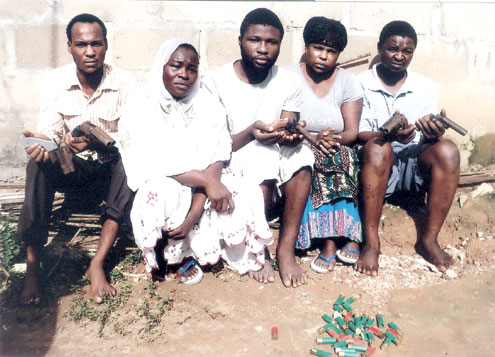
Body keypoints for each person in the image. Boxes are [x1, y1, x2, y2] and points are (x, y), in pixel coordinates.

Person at [118, 39, 274, 285]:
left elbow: (219, 150)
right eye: (176, 66)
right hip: (167, 179)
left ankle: (237, 252)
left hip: (205, 178)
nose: (184, 75)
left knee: (245, 191)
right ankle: (173, 258)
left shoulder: (207, 104)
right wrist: (205, 182)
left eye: (192, 69)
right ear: (161, 67)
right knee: (160, 192)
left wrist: (203, 196)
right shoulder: (141, 106)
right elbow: (151, 162)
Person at [16, 13, 136, 304]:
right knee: (38, 163)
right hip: (73, 172)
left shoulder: (124, 82)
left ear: (106, 45)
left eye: (96, 44)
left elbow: (134, 136)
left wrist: (106, 143)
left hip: (110, 175)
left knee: (130, 160)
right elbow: (49, 133)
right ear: (69, 46)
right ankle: (33, 266)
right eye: (82, 45)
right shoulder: (57, 82)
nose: (90, 51)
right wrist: (54, 143)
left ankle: (96, 265)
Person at [202, 8, 314, 287]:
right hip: (230, 157)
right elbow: (214, 143)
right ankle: (258, 246)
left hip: (273, 150)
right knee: (260, 158)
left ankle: (285, 249)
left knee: (303, 154)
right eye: (255, 40)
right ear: (240, 41)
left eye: (272, 42)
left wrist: (291, 135)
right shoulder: (215, 81)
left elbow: (290, 124)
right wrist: (252, 133)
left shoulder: (288, 81)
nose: (263, 49)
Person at [356, 20, 460, 276]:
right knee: (380, 148)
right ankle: (371, 242)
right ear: (380, 48)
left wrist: (433, 134)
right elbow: (356, 133)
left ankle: (429, 240)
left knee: (448, 150)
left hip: (413, 161)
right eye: (393, 49)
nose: (400, 56)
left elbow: (427, 143)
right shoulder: (360, 83)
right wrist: (387, 134)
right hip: (377, 162)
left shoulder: (424, 86)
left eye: (407, 51)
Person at [288, 17, 363, 273]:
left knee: (341, 157)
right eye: (318, 48)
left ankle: (344, 236)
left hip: (337, 142)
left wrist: (333, 140)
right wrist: (312, 140)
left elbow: (352, 130)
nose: (323, 56)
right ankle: (327, 242)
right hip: (298, 141)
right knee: (309, 160)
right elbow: (287, 122)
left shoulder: (347, 81)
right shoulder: (288, 76)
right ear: (307, 46)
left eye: (331, 51)